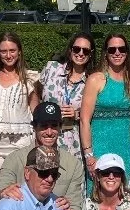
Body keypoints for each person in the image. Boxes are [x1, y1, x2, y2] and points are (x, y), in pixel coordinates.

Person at [0, 102, 84, 210]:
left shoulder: (73, 164)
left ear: (60, 127)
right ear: (34, 127)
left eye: (54, 126)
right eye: (43, 126)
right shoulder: (15, 158)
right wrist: (1, 194)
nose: (49, 132)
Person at [79, 32, 130, 185]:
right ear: (105, 53)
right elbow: (84, 120)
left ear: (127, 52)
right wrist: (89, 155)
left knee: (125, 191)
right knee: (99, 193)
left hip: (125, 147)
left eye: (121, 49)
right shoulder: (96, 79)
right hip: (99, 147)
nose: (117, 53)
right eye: (112, 50)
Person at [0, 31, 39, 174]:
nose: (8, 56)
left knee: (17, 189)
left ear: (19, 52)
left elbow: (36, 110)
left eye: (12, 51)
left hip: (19, 143)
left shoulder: (29, 77)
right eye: (3, 51)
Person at [37, 32, 95, 160]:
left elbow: (94, 114)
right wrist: (37, 115)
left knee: (70, 176)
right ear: (70, 50)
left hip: (73, 140)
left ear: (90, 54)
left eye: (85, 51)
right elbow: (36, 92)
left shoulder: (92, 80)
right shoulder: (52, 68)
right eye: (76, 49)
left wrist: (77, 115)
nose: (80, 53)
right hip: (46, 134)